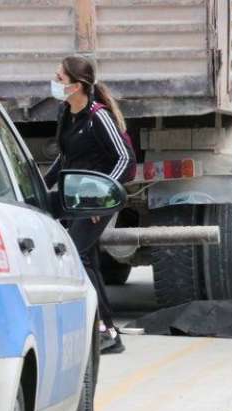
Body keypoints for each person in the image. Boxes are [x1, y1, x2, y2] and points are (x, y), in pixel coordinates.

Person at [45, 55, 136, 355]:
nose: (55, 82)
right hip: (76, 197)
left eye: (59, 78)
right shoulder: (66, 113)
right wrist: (41, 184)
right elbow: (66, 157)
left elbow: (125, 160)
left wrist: (100, 199)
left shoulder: (98, 116)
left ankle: (103, 329)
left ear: (77, 85)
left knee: (77, 252)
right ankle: (109, 331)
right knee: (88, 259)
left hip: (99, 198)